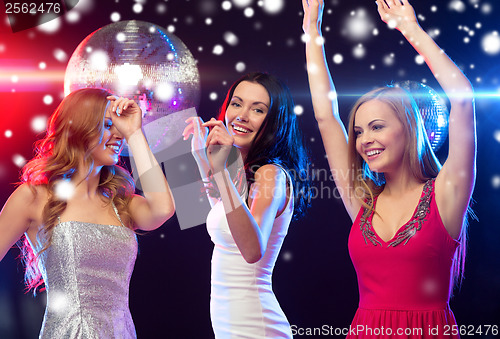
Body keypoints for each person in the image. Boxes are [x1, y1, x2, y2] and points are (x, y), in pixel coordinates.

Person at [303, 0, 475, 337]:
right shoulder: (362, 201)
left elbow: (463, 98)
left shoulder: (447, 193)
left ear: (409, 128)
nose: (365, 139)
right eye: (359, 131)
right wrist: (311, 31)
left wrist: (411, 30)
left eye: (377, 126)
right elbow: (326, 117)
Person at [0, 88, 175, 338]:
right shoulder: (34, 197)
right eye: (107, 125)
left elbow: (163, 209)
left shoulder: (121, 202)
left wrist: (135, 133)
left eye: (120, 128)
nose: (118, 135)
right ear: (78, 128)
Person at [183, 72, 311, 338]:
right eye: (237, 104)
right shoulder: (242, 173)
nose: (241, 115)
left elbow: (252, 249)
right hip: (230, 325)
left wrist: (220, 171)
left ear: (274, 122)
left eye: (258, 110)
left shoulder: (271, 174)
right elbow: (226, 215)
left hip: (255, 326)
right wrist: (200, 156)